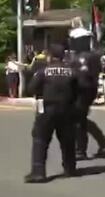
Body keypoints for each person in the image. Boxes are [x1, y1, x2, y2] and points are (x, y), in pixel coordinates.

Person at [24, 44, 79, 183]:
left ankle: (38, 172)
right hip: (67, 109)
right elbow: (79, 90)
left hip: (47, 109)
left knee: (40, 140)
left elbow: (31, 88)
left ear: (49, 56)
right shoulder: (72, 71)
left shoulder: (43, 71)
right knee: (67, 140)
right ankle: (70, 168)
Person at [71, 46, 105, 160]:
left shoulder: (81, 58)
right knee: (79, 119)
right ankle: (101, 139)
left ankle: (81, 150)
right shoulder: (91, 57)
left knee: (78, 120)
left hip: (82, 91)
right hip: (86, 91)